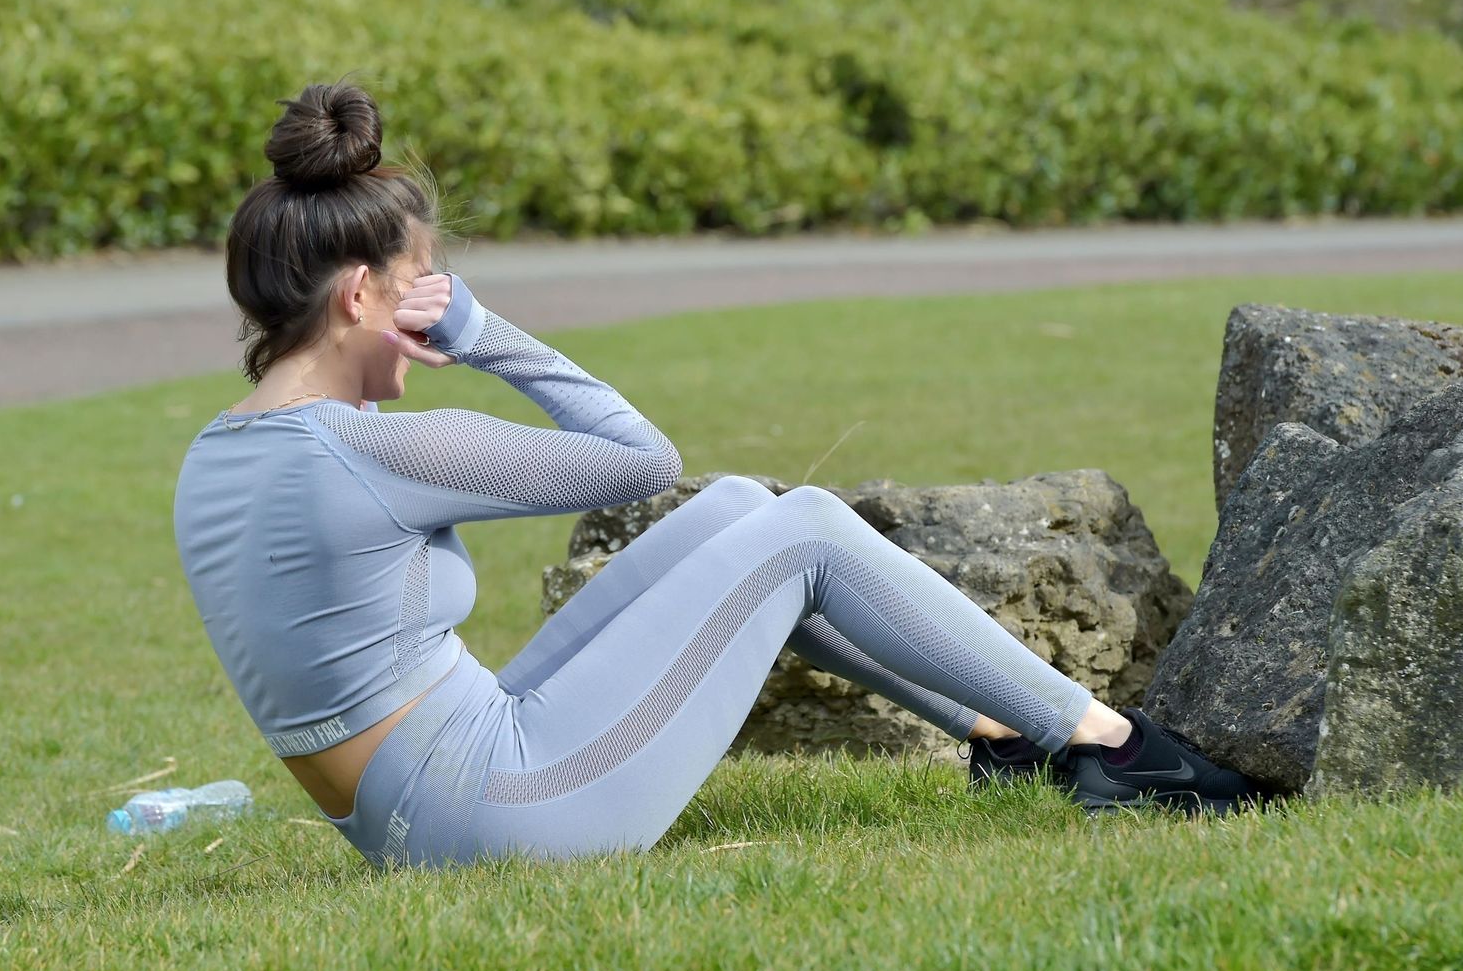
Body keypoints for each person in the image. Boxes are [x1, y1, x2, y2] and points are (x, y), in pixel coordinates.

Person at [171, 79, 1263, 869]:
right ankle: (1112, 748)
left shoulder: (219, 454)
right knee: (809, 529)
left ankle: (1005, 737)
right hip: (498, 811)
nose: (433, 311)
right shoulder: (368, 451)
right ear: (360, 296)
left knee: (747, 509)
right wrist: (488, 332)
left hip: (416, 810)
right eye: (424, 287)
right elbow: (642, 460)